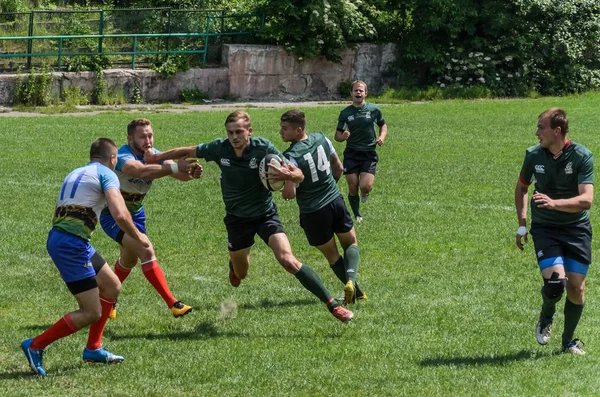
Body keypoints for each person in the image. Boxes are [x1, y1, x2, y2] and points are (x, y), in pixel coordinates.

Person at [144, 110, 353, 323]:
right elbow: (189, 150)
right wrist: (156, 157)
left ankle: (333, 305)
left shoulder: (263, 147)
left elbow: (298, 174)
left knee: (287, 260)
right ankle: (234, 266)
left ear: (249, 131)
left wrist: (289, 177)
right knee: (240, 275)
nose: (234, 137)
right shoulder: (220, 148)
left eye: (239, 132)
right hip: (237, 220)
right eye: (230, 132)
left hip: (266, 214)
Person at [21, 138, 151, 376]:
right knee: (91, 312)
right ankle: (36, 345)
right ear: (113, 159)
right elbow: (120, 214)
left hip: (68, 239)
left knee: (111, 286)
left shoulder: (77, 171)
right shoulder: (108, 174)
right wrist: (138, 236)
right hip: (71, 244)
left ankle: (93, 348)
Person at [100, 118, 202, 320]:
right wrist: (173, 168)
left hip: (136, 214)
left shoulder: (155, 155)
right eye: (142, 136)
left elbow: (179, 174)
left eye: (150, 135)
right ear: (130, 139)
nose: (148, 140)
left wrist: (190, 172)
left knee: (128, 261)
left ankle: (106, 299)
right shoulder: (121, 156)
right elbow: (139, 171)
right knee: (146, 249)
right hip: (114, 215)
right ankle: (173, 304)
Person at [515, 108, 594, 355]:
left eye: (541, 127)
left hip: (576, 229)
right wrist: (522, 222)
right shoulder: (533, 155)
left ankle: (568, 341)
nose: (537, 132)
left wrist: (554, 203)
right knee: (555, 283)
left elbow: (586, 200)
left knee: (577, 288)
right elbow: (521, 188)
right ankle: (546, 317)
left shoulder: (582, 156)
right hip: (546, 228)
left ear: (556, 131)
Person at [275, 109, 367, 305]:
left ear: (298, 130)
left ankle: (356, 290)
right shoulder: (322, 138)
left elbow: (289, 194)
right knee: (350, 243)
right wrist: (330, 184)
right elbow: (338, 167)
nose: (281, 132)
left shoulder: (289, 157)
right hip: (335, 201)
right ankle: (351, 281)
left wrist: (280, 186)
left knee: (333, 256)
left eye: (285, 129)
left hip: (313, 212)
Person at [335, 80, 387, 222]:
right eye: (355, 90)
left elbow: (383, 125)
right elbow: (337, 135)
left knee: (365, 186)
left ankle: (365, 193)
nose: (358, 92)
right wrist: (343, 136)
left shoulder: (374, 109)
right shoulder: (345, 113)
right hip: (351, 153)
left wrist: (381, 137)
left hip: (369, 153)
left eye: (361, 90)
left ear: (366, 93)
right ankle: (357, 214)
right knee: (353, 186)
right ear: (351, 93)